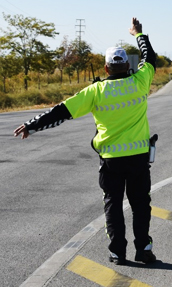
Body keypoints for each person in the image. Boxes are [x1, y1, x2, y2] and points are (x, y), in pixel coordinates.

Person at [13, 18, 158, 265]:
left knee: (113, 206)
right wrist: (138, 34)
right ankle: (143, 250)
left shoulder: (95, 92)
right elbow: (150, 58)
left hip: (111, 161)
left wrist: (32, 125)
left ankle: (117, 252)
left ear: (106, 69)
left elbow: (60, 112)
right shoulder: (140, 82)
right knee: (140, 205)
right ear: (127, 66)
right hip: (138, 159)